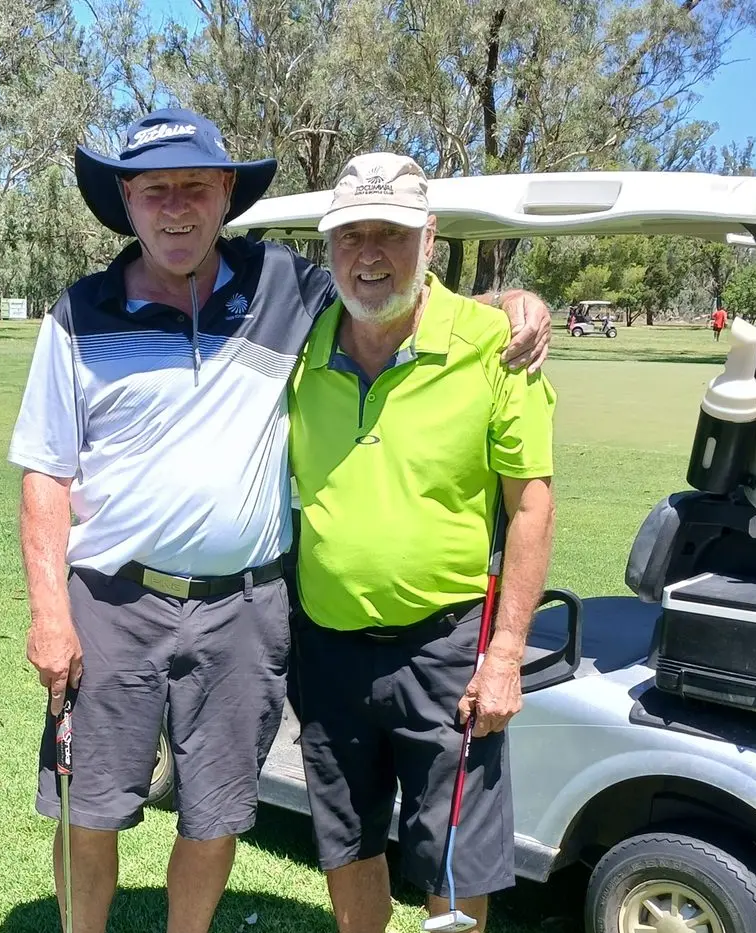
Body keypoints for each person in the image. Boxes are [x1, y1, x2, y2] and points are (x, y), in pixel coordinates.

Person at [7, 107, 552, 933]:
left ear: (227, 192)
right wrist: (49, 613)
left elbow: (396, 292)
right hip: (111, 604)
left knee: (216, 811)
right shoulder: (79, 313)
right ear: (127, 199)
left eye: (197, 186)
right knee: (90, 804)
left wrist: (512, 302)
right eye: (157, 190)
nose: (178, 207)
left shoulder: (282, 287)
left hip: (244, 610)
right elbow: (45, 472)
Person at [287, 152, 557, 933]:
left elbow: (530, 506)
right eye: (350, 235)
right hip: (328, 646)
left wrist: (505, 655)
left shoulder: (493, 346)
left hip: (448, 647)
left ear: (429, 238)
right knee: (347, 842)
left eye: (391, 233)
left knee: (453, 855)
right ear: (328, 244)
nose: (368, 253)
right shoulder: (301, 343)